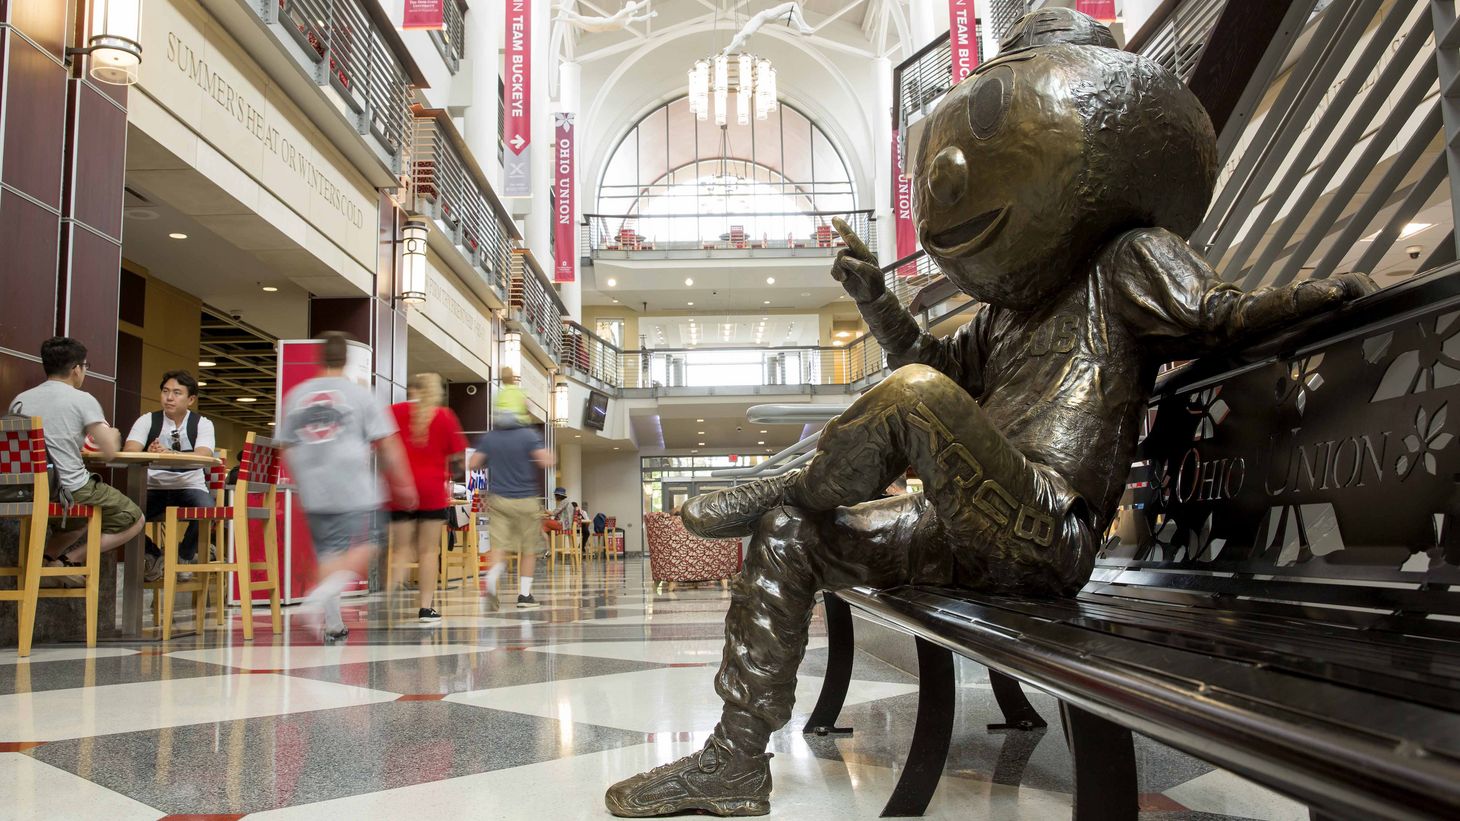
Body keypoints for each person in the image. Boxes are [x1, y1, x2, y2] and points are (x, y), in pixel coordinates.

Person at [605, 14, 1377, 817]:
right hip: (973, 525)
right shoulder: (1007, 313)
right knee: (793, 530)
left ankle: (779, 479)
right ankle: (734, 761)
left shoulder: (1128, 259)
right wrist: (876, 300)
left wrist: (1311, 301)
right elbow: (932, 367)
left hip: (1049, 532)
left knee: (910, 406)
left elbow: (1218, 314)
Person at [278, 332, 417, 643]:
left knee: (329, 552)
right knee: (371, 541)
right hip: (353, 487)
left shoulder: (296, 396)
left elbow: (285, 447)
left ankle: (332, 621)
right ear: (346, 359)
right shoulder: (360, 395)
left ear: (320, 357)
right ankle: (318, 598)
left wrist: (303, 479)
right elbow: (387, 444)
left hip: (314, 490)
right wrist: (404, 483)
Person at [9, 337, 143, 587]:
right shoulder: (82, 399)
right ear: (76, 369)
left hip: (25, 491)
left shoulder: (20, 400)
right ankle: (66, 561)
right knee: (134, 518)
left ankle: (45, 560)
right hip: (67, 488)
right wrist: (113, 434)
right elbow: (110, 451)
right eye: (85, 366)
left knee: (81, 519)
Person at [389, 372, 468, 623]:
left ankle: (390, 594)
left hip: (400, 490)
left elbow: (380, 447)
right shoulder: (444, 416)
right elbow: (458, 456)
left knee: (400, 549)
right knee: (428, 551)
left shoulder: (393, 411)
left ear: (409, 389)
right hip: (432, 491)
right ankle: (426, 608)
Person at [123, 370, 216, 581]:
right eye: (165, 391)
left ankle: (184, 556)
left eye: (176, 393)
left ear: (190, 399)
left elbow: (204, 454)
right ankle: (155, 555)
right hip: (153, 487)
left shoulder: (202, 424)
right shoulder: (148, 420)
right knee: (123, 513)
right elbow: (130, 449)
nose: (169, 397)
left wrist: (169, 453)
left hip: (189, 486)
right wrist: (149, 452)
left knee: (208, 509)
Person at [470, 415, 554, 610]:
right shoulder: (528, 434)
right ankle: (524, 595)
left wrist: (491, 460)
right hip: (525, 499)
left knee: (498, 546)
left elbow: (473, 463)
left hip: (498, 499)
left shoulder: (490, 437)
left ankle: (491, 580)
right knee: (528, 549)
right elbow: (546, 460)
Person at [721, 2, 815, 55]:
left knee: (791, 12)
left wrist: (726, 52)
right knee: (793, 6)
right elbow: (734, 44)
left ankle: (802, 27)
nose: (742, 44)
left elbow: (734, 44)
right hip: (767, 17)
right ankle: (803, 27)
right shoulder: (745, 34)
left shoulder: (742, 35)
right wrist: (727, 50)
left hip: (767, 17)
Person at [557, 0, 656, 33]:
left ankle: (563, 17)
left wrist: (650, 14)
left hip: (600, 28)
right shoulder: (624, 12)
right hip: (601, 23)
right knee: (580, 19)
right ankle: (562, 9)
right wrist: (646, 2)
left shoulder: (629, 18)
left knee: (578, 22)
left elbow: (640, 18)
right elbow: (638, 7)